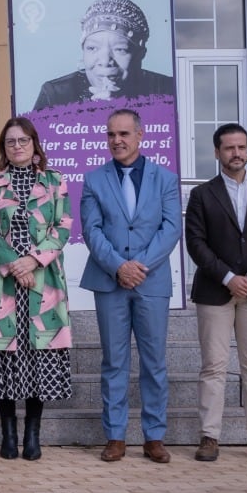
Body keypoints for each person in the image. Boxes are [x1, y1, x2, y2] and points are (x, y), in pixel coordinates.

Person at [80, 108, 182, 464]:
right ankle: (116, 436)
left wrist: (139, 266)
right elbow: (91, 230)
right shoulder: (94, 180)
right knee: (114, 361)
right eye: (111, 135)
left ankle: (154, 437)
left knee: (154, 362)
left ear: (140, 135)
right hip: (110, 282)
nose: (116, 141)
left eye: (123, 134)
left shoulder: (165, 179)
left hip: (150, 282)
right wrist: (118, 267)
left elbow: (171, 230)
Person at [0, 118, 73, 462]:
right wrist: (15, 265)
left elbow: (63, 227)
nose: (17, 146)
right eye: (10, 141)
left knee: (37, 358)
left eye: (23, 140)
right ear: (4, 146)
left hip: (42, 282)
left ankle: (33, 434)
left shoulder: (55, 180)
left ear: (34, 143)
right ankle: (8, 435)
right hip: (3, 285)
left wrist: (33, 261)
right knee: (5, 358)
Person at [186, 122, 247, 464]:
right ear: (217, 153)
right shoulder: (202, 195)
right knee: (214, 366)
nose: (236, 154)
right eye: (229, 148)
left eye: (241, 147)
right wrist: (229, 277)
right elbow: (196, 244)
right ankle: (209, 437)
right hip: (215, 291)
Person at [33, 0, 175, 109]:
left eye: (120, 49)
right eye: (92, 48)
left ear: (141, 54)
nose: (105, 60)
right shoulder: (56, 95)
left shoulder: (166, 89)